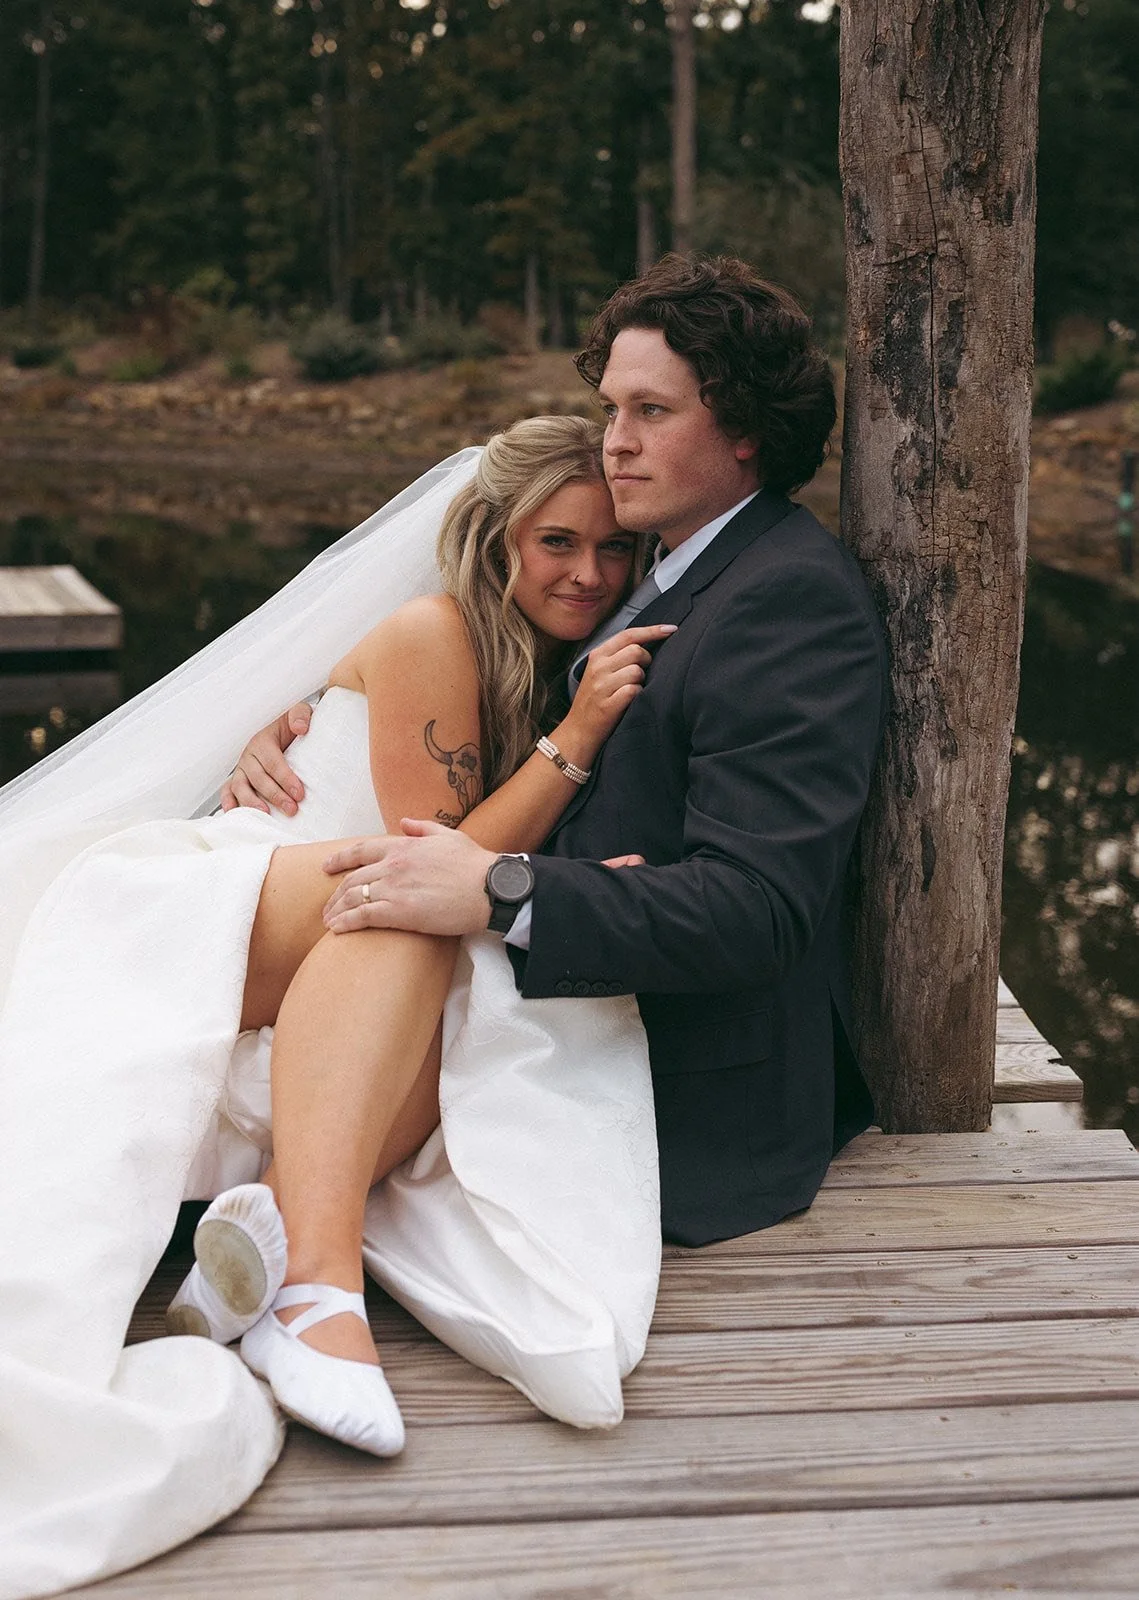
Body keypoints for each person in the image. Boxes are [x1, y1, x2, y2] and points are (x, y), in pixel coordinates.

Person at [0, 417, 667, 1600]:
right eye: (557, 542)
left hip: (344, 925)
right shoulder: (434, 630)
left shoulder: (539, 648)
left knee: (420, 1086)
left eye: (615, 552)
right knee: (399, 908)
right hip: (228, 900)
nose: (589, 574)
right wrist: (573, 743)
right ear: (492, 537)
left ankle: (249, 1266)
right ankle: (319, 1297)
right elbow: (439, 866)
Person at [238, 253, 888, 1248]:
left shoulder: (786, 599)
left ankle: (284, 1246)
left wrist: (503, 889)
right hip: (543, 990)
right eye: (610, 408)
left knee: (371, 911)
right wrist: (317, 714)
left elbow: (757, 907)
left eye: (649, 413)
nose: (614, 444)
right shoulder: (657, 565)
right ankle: (283, 1243)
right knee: (353, 922)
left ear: (748, 429)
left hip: (676, 1081)